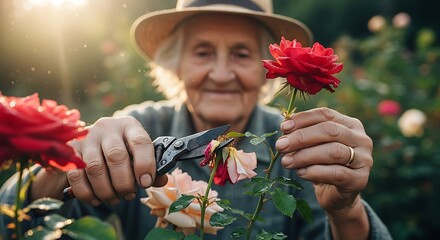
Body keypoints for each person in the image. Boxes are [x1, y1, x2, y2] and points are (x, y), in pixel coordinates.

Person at [0, 0, 392, 239]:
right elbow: (12, 226)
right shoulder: (139, 126)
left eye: (240, 54)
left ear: (267, 69)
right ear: (176, 65)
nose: (221, 74)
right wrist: (60, 170)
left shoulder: (297, 145)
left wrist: (347, 209)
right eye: (203, 52)